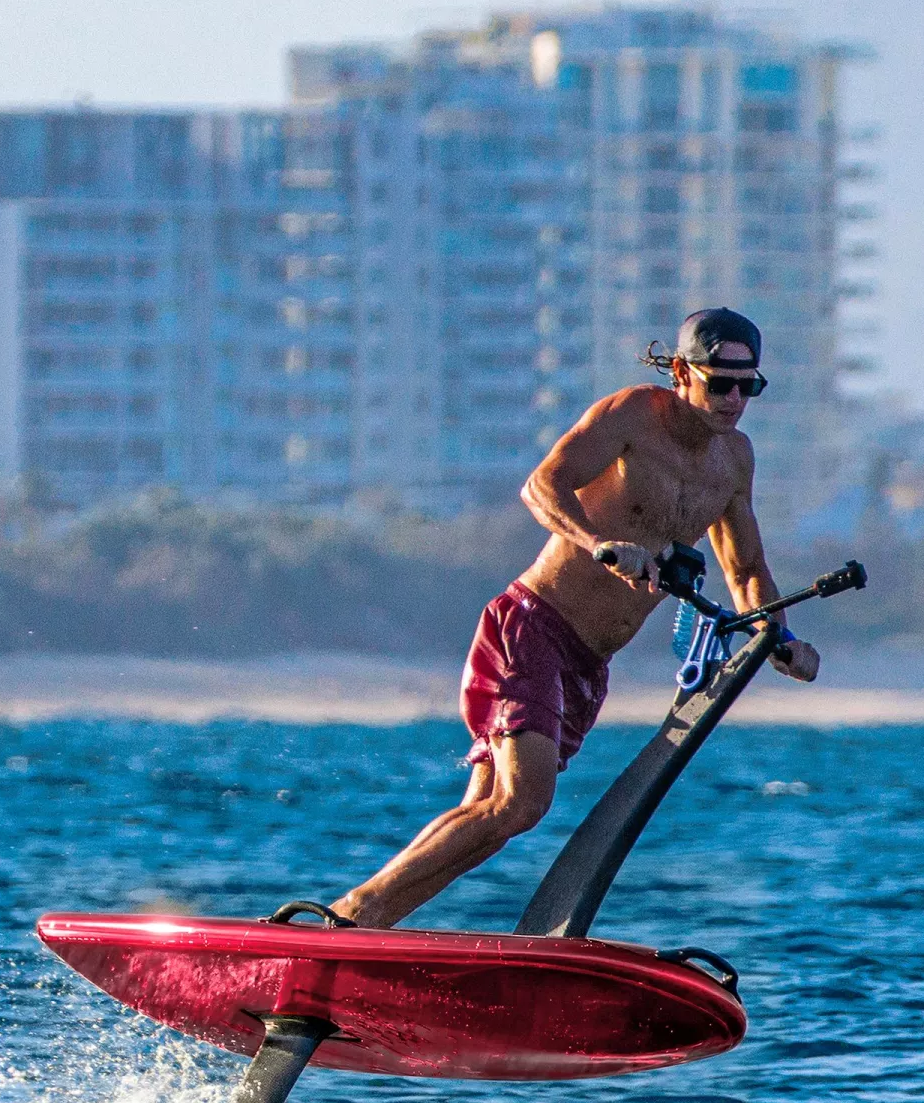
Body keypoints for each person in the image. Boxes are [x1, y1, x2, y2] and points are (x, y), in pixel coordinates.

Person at [325, 308, 817, 929]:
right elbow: (541, 485)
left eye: (750, 386)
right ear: (680, 373)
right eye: (720, 383)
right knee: (520, 803)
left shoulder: (734, 462)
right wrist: (596, 543)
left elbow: (746, 575)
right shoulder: (633, 417)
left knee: (491, 815)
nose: (735, 399)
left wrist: (781, 637)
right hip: (531, 627)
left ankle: (356, 933)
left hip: (589, 666)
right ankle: (354, 915)